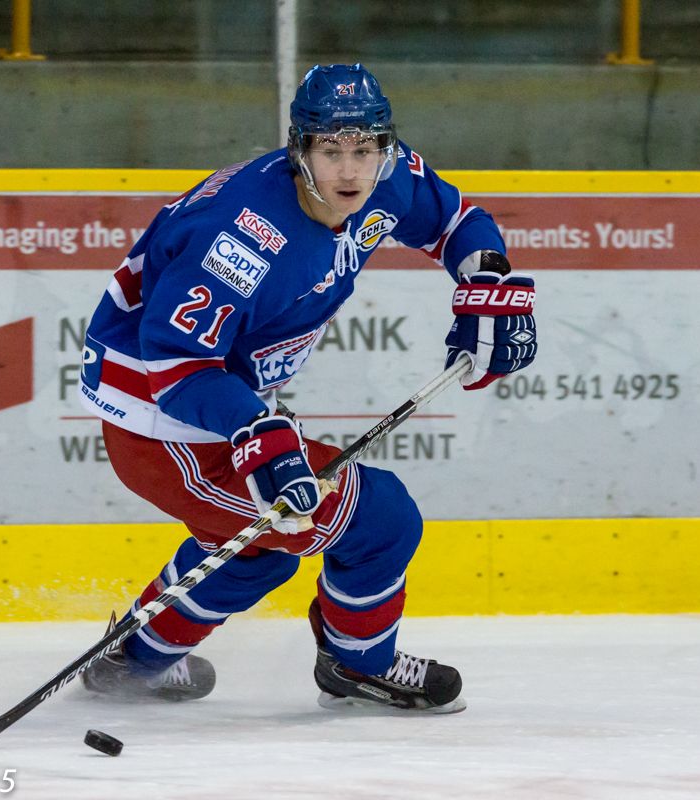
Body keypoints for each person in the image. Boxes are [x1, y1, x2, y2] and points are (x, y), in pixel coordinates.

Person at [77, 63, 536, 713]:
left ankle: (134, 661)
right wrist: (254, 429)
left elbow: (456, 219)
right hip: (164, 425)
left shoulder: (390, 176)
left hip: (217, 406)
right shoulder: (238, 239)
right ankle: (360, 665)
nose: (349, 172)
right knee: (379, 518)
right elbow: (177, 366)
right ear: (300, 150)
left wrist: (486, 281)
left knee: (260, 550)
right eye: (330, 152)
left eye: (364, 150)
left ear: (385, 146)